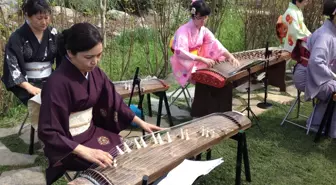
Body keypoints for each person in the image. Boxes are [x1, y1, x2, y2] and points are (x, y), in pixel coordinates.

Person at [37, 23, 163, 184]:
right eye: (89, 57)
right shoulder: (56, 84)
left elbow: (113, 100)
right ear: (70, 53)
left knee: (123, 149)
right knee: (111, 163)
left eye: (99, 55)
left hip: (91, 132)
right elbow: (48, 131)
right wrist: (85, 152)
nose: (95, 62)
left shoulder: (95, 73)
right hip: (70, 144)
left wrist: (140, 123)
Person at [1, 0, 60, 105]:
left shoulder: (53, 33)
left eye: (46, 18)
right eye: (39, 18)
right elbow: (12, 65)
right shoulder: (17, 37)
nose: (44, 22)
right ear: (28, 16)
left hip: (51, 79)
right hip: (27, 82)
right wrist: (28, 87)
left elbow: (63, 57)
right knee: (41, 108)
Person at [170, 0, 240, 87]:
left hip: (198, 61)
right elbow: (180, 51)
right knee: (209, 79)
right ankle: (204, 97)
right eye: (200, 18)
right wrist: (202, 59)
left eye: (205, 17)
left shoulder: (203, 30)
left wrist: (230, 56)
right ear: (193, 16)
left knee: (217, 73)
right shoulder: (183, 31)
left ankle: (210, 97)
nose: (203, 21)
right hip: (185, 64)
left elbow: (215, 43)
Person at [304, 0, 336, 138]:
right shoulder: (325, 35)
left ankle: (322, 123)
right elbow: (315, 62)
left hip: (319, 76)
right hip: (308, 76)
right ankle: (320, 125)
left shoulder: (331, 33)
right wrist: (333, 76)